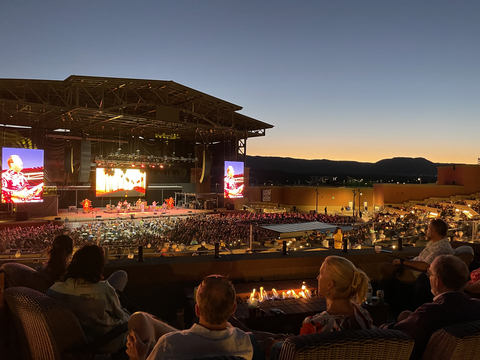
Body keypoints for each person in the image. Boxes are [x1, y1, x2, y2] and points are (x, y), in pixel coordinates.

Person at [267, 256, 372, 359]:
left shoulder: (314, 324)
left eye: (321, 274)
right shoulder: (363, 315)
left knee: (267, 343)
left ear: (329, 284)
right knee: (273, 337)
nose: (317, 277)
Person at [126, 275, 253, 360]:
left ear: (197, 310)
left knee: (140, 319)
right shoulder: (244, 342)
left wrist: (139, 357)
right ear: (233, 309)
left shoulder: (169, 345)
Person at [380, 255, 480, 360]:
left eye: (429, 274)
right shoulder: (477, 306)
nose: (428, 277)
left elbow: (394, 335)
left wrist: (379, 327)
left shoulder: (430, 313)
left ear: (438, 281)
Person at [47, 245, 130, 353]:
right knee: (146, 323)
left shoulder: (54, 290)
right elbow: (119, 315)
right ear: (98, 266)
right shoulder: (103, 289)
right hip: (106, 341)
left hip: (74, 342)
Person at [379, 219, 454, 285]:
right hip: (413, 266)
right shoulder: (436, 243)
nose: (426, 231)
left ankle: (387, 292)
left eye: (428, 228)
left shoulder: (440, 248)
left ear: (433, 231)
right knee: (389, 258)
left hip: (415, 273)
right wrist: (407, 260)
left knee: (383, 265)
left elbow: (425, 266)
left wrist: (403, 262)